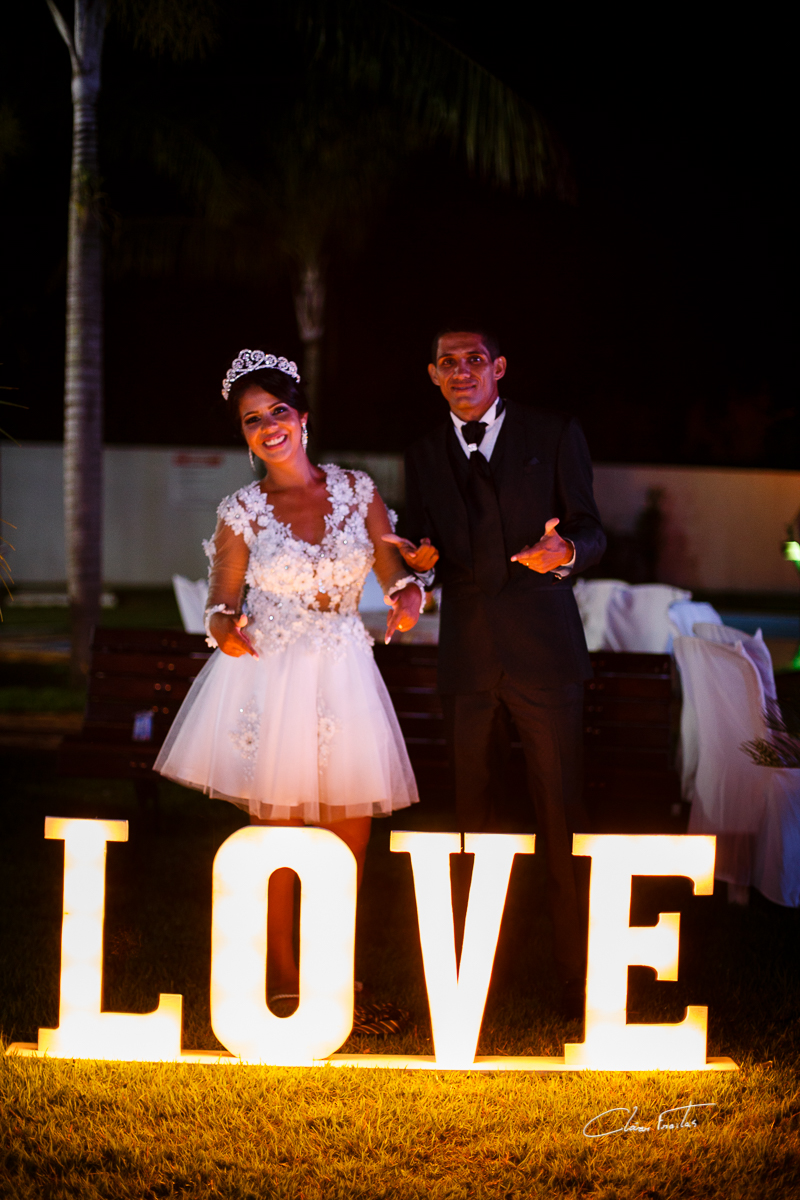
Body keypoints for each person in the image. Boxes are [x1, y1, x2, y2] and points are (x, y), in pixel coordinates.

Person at [155, 348, 423, 1004]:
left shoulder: (358, 490)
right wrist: (227, 632)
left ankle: (332, 974)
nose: (268, 425)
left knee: (350, 835)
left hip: (345, 673)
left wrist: (408, 596)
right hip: (272, 677)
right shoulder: (241, 509)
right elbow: (221, 601)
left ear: (302, 417)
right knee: (276, 836)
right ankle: (282, 976)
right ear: (244, 436)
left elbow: (396, 574)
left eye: (278, 411)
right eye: (252, 419)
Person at [384, 328, 606, 1017]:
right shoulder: (422, 453)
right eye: (447, 363)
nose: (461, 372)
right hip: (470, 657)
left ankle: (577, 970)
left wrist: (565, 549)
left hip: (545, 653)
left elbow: (594, 529)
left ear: (499, 368)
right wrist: (421, 564)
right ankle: (477, 969)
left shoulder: (554, 431)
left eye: (474, 360)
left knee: (559, 809)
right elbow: (425, 544)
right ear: (432, 375)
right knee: (473, 813)